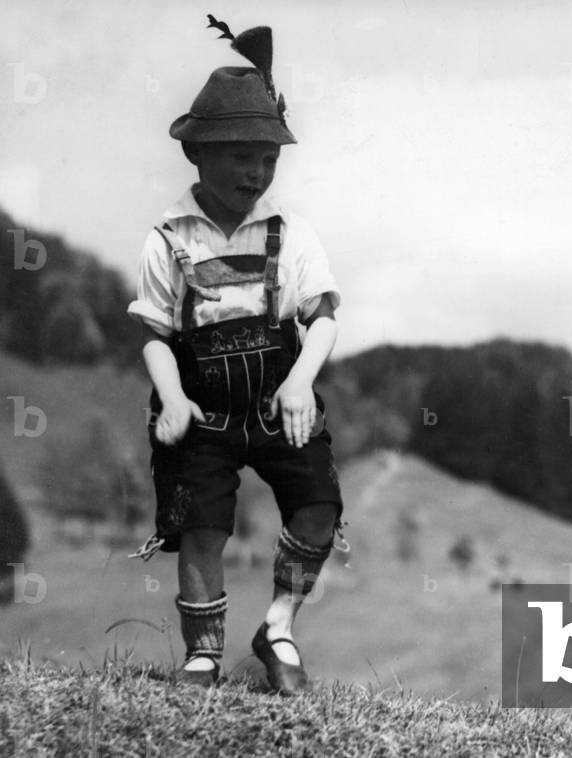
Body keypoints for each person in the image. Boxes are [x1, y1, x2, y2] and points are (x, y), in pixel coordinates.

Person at [127, 17, 347, 694]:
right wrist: (172, 397)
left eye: (268, 159)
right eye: (239, 157)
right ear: (198, 155)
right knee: (200, 525)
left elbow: (325, 317)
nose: (255, 172)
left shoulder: (292, 234)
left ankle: (278, 628)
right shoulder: (168, 239)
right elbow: (156, 334)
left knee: (317, 504)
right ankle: (202, 656)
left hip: (280, 400)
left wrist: (303, 382)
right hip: (203, 410)